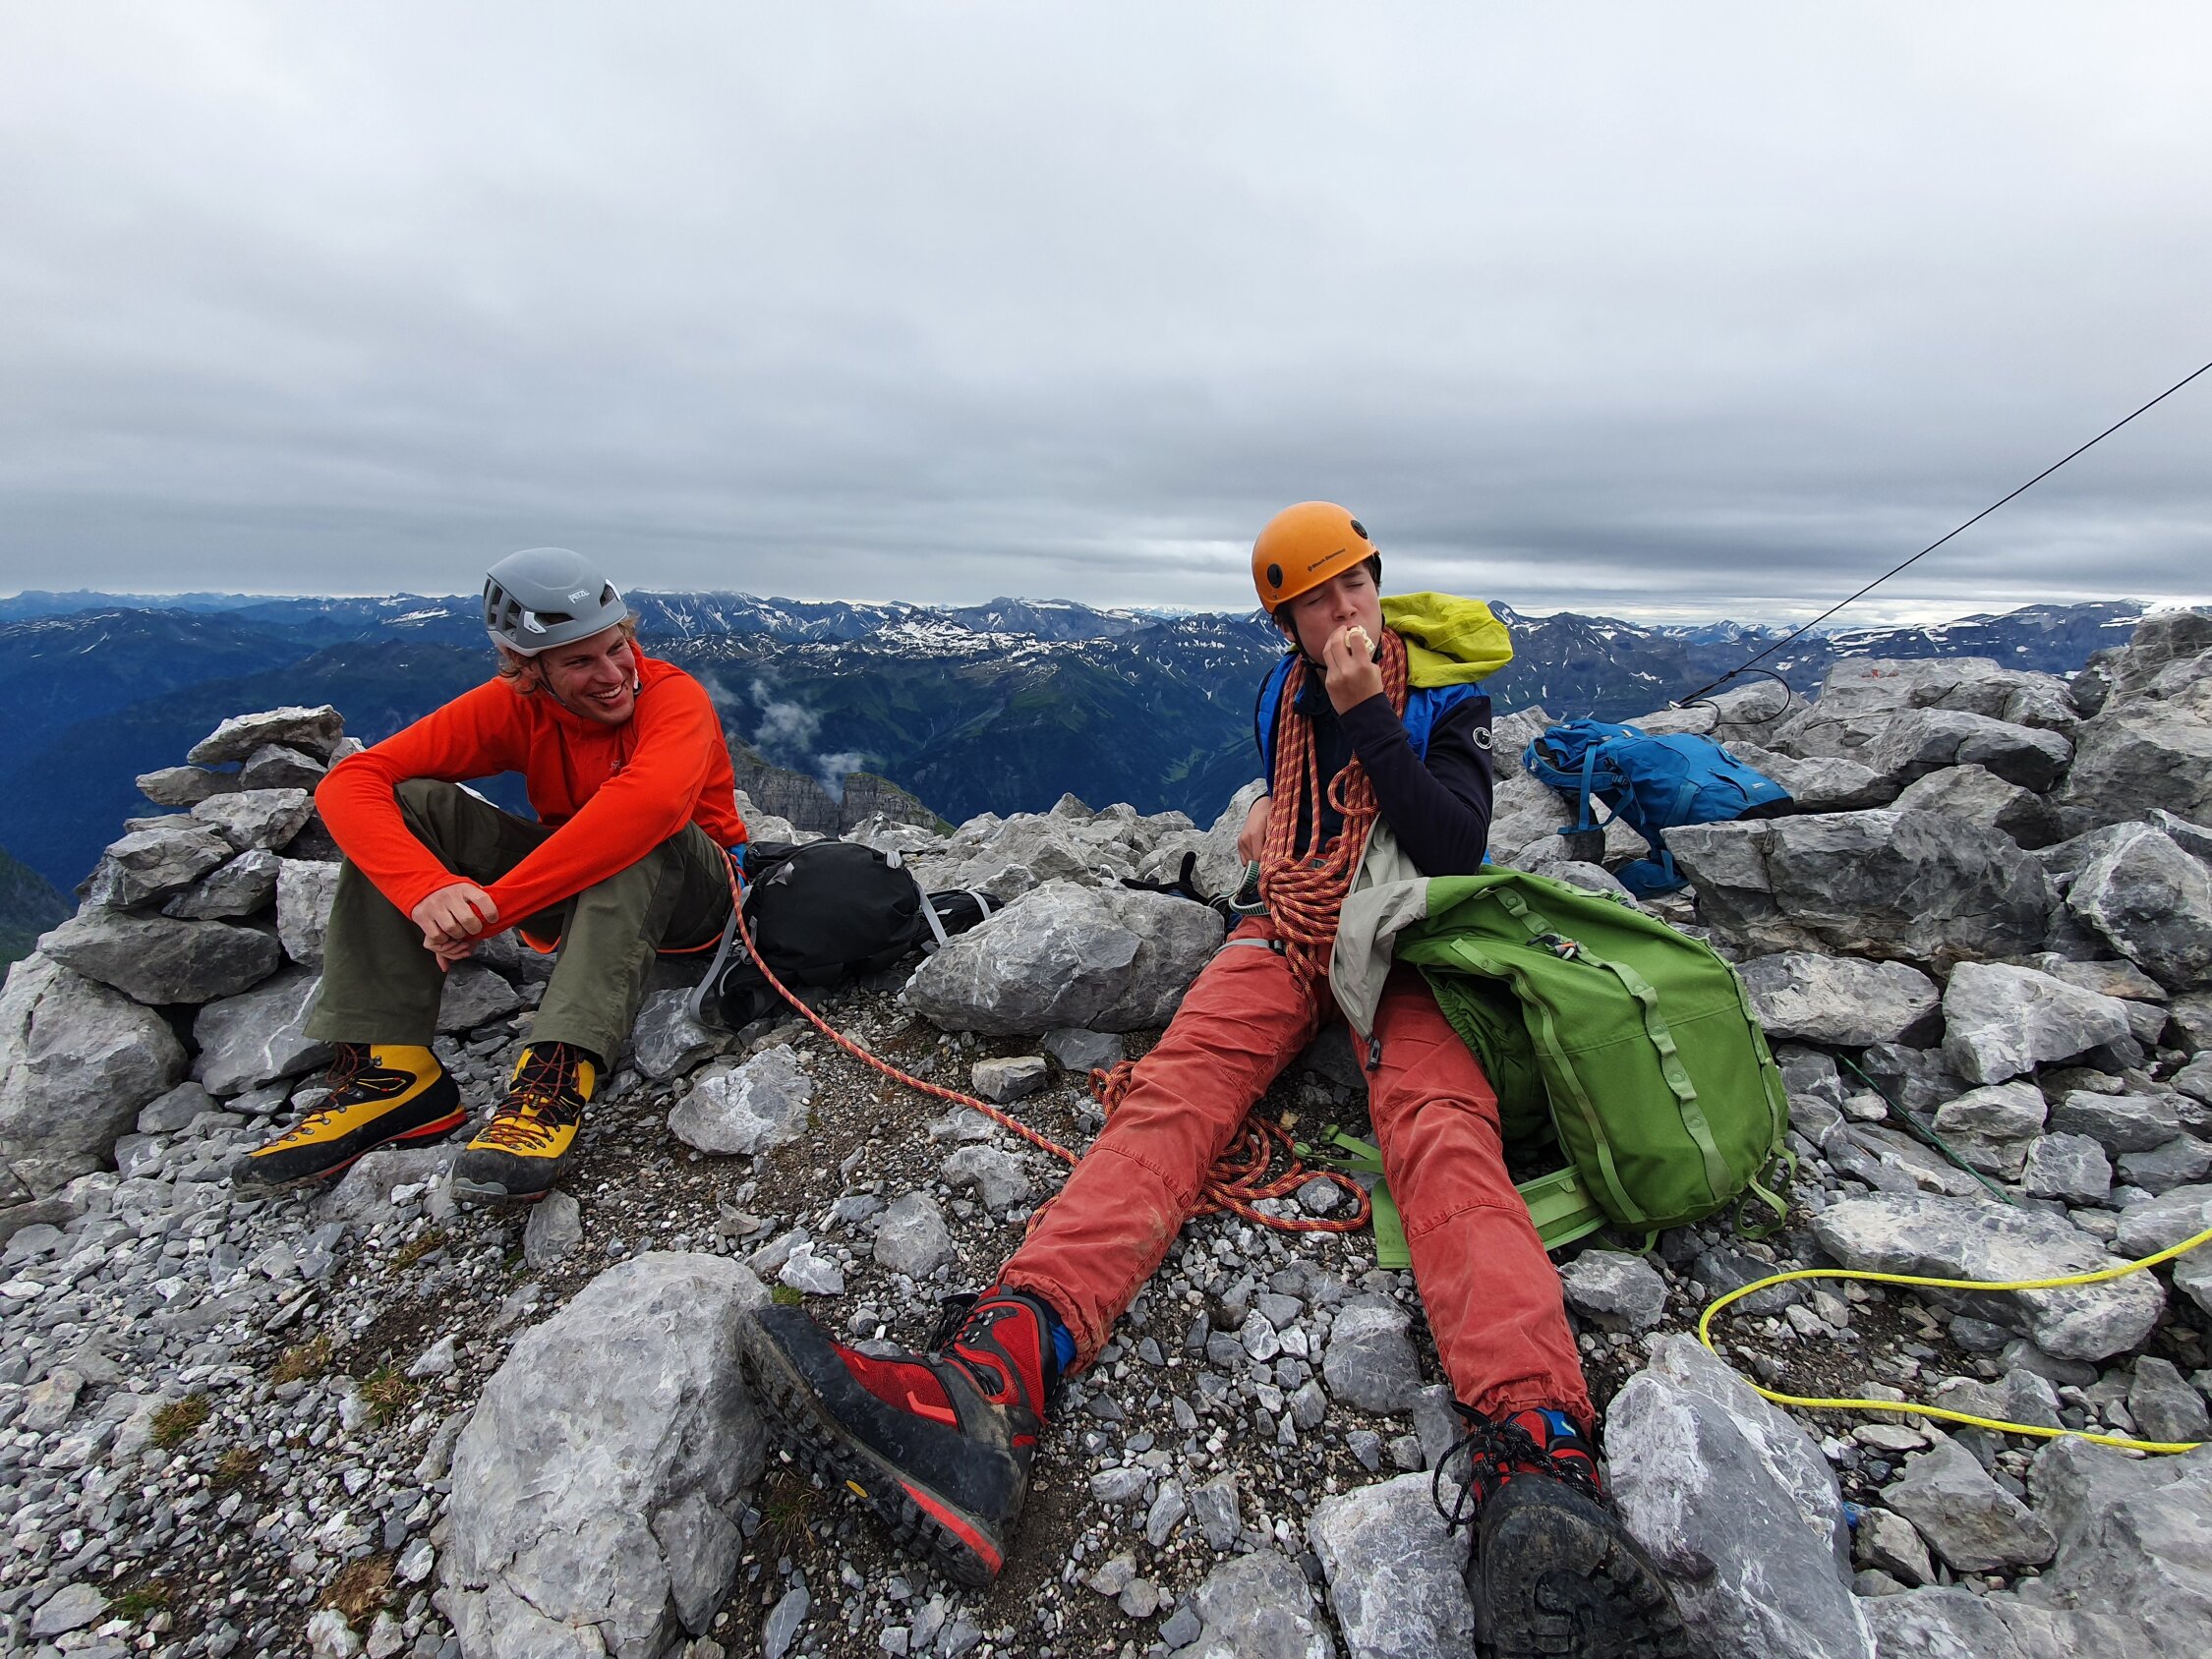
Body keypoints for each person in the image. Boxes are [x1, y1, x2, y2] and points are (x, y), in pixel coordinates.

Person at [741, 504, 1687, 1657]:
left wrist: (1370, 715)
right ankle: (997, 1375)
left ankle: (1540, 1462)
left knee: (1440, 1128)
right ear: (1285, 624)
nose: (1343, 610)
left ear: (1377, 579)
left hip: (1413, 943)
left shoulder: (1443, 695)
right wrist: (1272, 813)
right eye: (1316, 600)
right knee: (1176, 1092)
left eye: (1355, 584)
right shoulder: (1284, 693)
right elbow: (1299, 790)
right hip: (1286, 926)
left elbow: (1451, 845)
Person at [232, 546, 746, 1204]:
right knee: (415, 801)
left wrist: (492, 909)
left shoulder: (673, 696)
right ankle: (394, 1074)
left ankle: (556, 1074)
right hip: (581, 891)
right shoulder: (516, 705)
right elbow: (353, 781)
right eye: (579, 662)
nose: (613, 674)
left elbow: (649, 806)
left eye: (617, 648)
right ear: (527, 667)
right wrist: (425, 890)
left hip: (703, 903)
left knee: (642, 824)